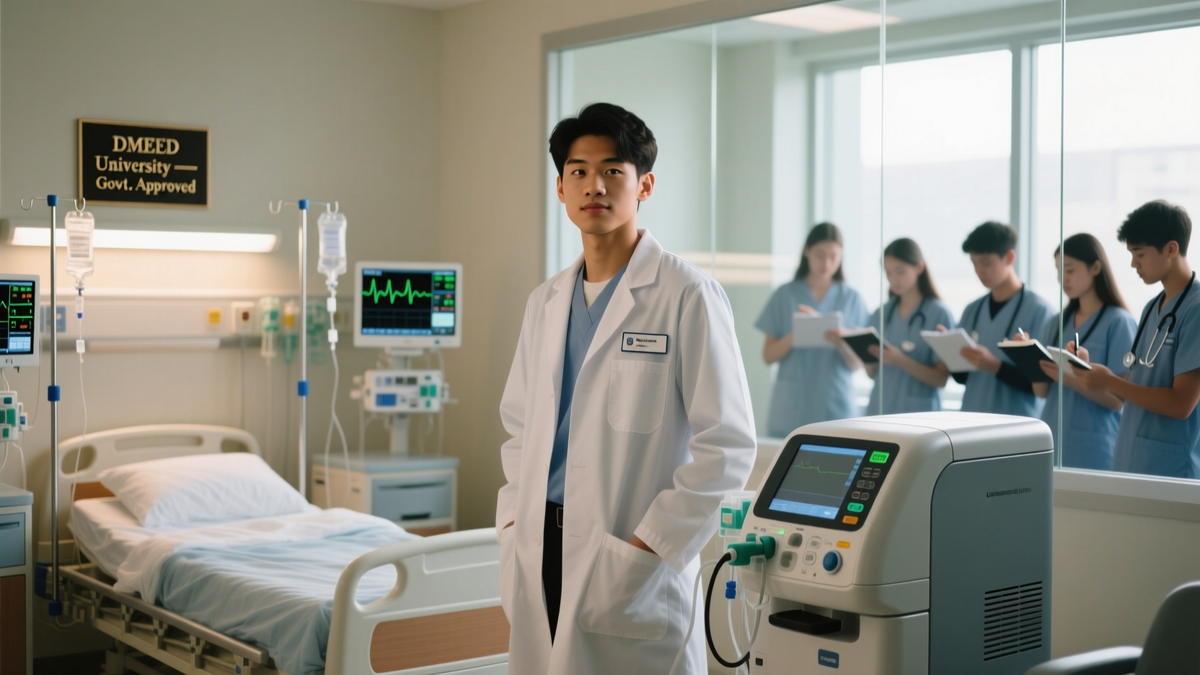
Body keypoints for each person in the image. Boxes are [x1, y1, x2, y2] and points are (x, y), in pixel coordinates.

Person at [496, 102, 757, 674]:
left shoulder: (687, 294)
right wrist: (514, 522)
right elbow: (520, 428)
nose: (595, 185)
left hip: (631, 555)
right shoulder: (545, 303)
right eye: (579, 171)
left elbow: (728, 445)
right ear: (561, 189)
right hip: (540, 542)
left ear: (645, 185)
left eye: (613, 170)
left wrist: (652, 546)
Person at [1071, 200, 1200, 478]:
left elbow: (1181, 404)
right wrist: (1092, 371)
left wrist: (1110, 382)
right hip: (1131, 460)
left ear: (1171, 248)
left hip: (1172, 468)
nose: (1133, 264)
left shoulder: (1196, 309)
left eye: (1139, 254)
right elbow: (1133, 386)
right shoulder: (1152, 308)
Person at [1032, 233, 1135, 470]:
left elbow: (1118, 402)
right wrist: (1028, 355)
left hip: (1095, 446)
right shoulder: (1055, 323)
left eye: (1069, 270)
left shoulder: (1119, 322)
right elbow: (1040, 391)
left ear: (1095, 267)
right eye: (1059, 271)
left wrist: (1067, 377)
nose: (1062, 279)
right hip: (1052, 441)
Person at [756, 223, 869, 436]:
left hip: (835, 405)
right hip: (793, 407)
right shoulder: (785, 294)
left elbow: (857, 365)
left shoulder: (852, 298)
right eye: (820, 255)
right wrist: (796, 333)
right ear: (807, 251)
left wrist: (842, 340)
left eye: (834, 256)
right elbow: (768, 356)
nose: (826, 263)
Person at [951, 221, 1054, 417]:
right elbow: (962, 378)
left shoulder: (1040, 312)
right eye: (974, 263)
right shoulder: (972, 310)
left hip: (1015, 424)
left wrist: (994, 365)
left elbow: (1041, 386)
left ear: (1009, 257)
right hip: (971, 419)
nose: (979, 271)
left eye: (986, 263)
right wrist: (950, 352)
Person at [864, 238, 955, 414]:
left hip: (918, 413)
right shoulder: (881, 313)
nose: (893, 279)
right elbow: (871, 373)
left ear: (919, 267)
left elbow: (941, 379)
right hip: (880, 408)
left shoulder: (939, 313)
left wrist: (900, 360)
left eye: (900, 272)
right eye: (888, 273)